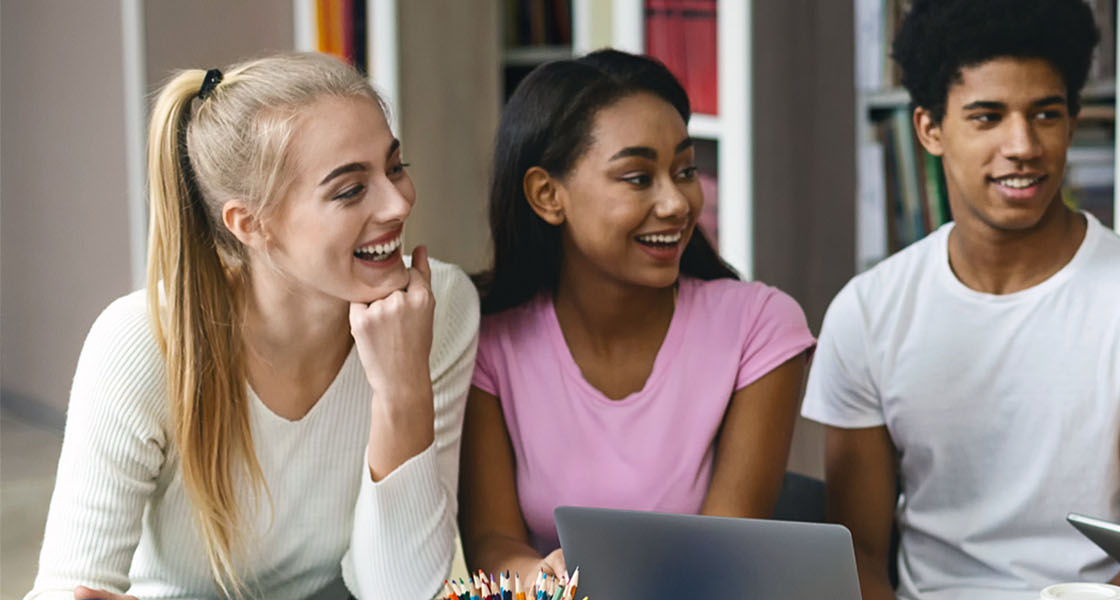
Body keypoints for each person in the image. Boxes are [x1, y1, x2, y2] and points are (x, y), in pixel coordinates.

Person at [800, 1, 1120, 598]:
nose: (1022, 145)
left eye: (1045, 114)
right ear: (930, 129)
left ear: (1074, 120)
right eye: (987, 117)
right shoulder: (867, 313)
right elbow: (860, 559)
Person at [29, 53, 478, 600]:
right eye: (349, 190)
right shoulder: (141, 341)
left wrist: (403, 390)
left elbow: (401, 590)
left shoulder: (438, 306)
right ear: (251, 223)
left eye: (396, 167)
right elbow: (68, 589)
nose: (399, 201)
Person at [457, 50, 814, 579]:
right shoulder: (488, 341)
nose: (676, 203)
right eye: (638, 177)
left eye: (685, 170)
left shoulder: (760, 328)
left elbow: (726, 547)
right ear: (547, 195)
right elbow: (493, 539)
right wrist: (537, 576)